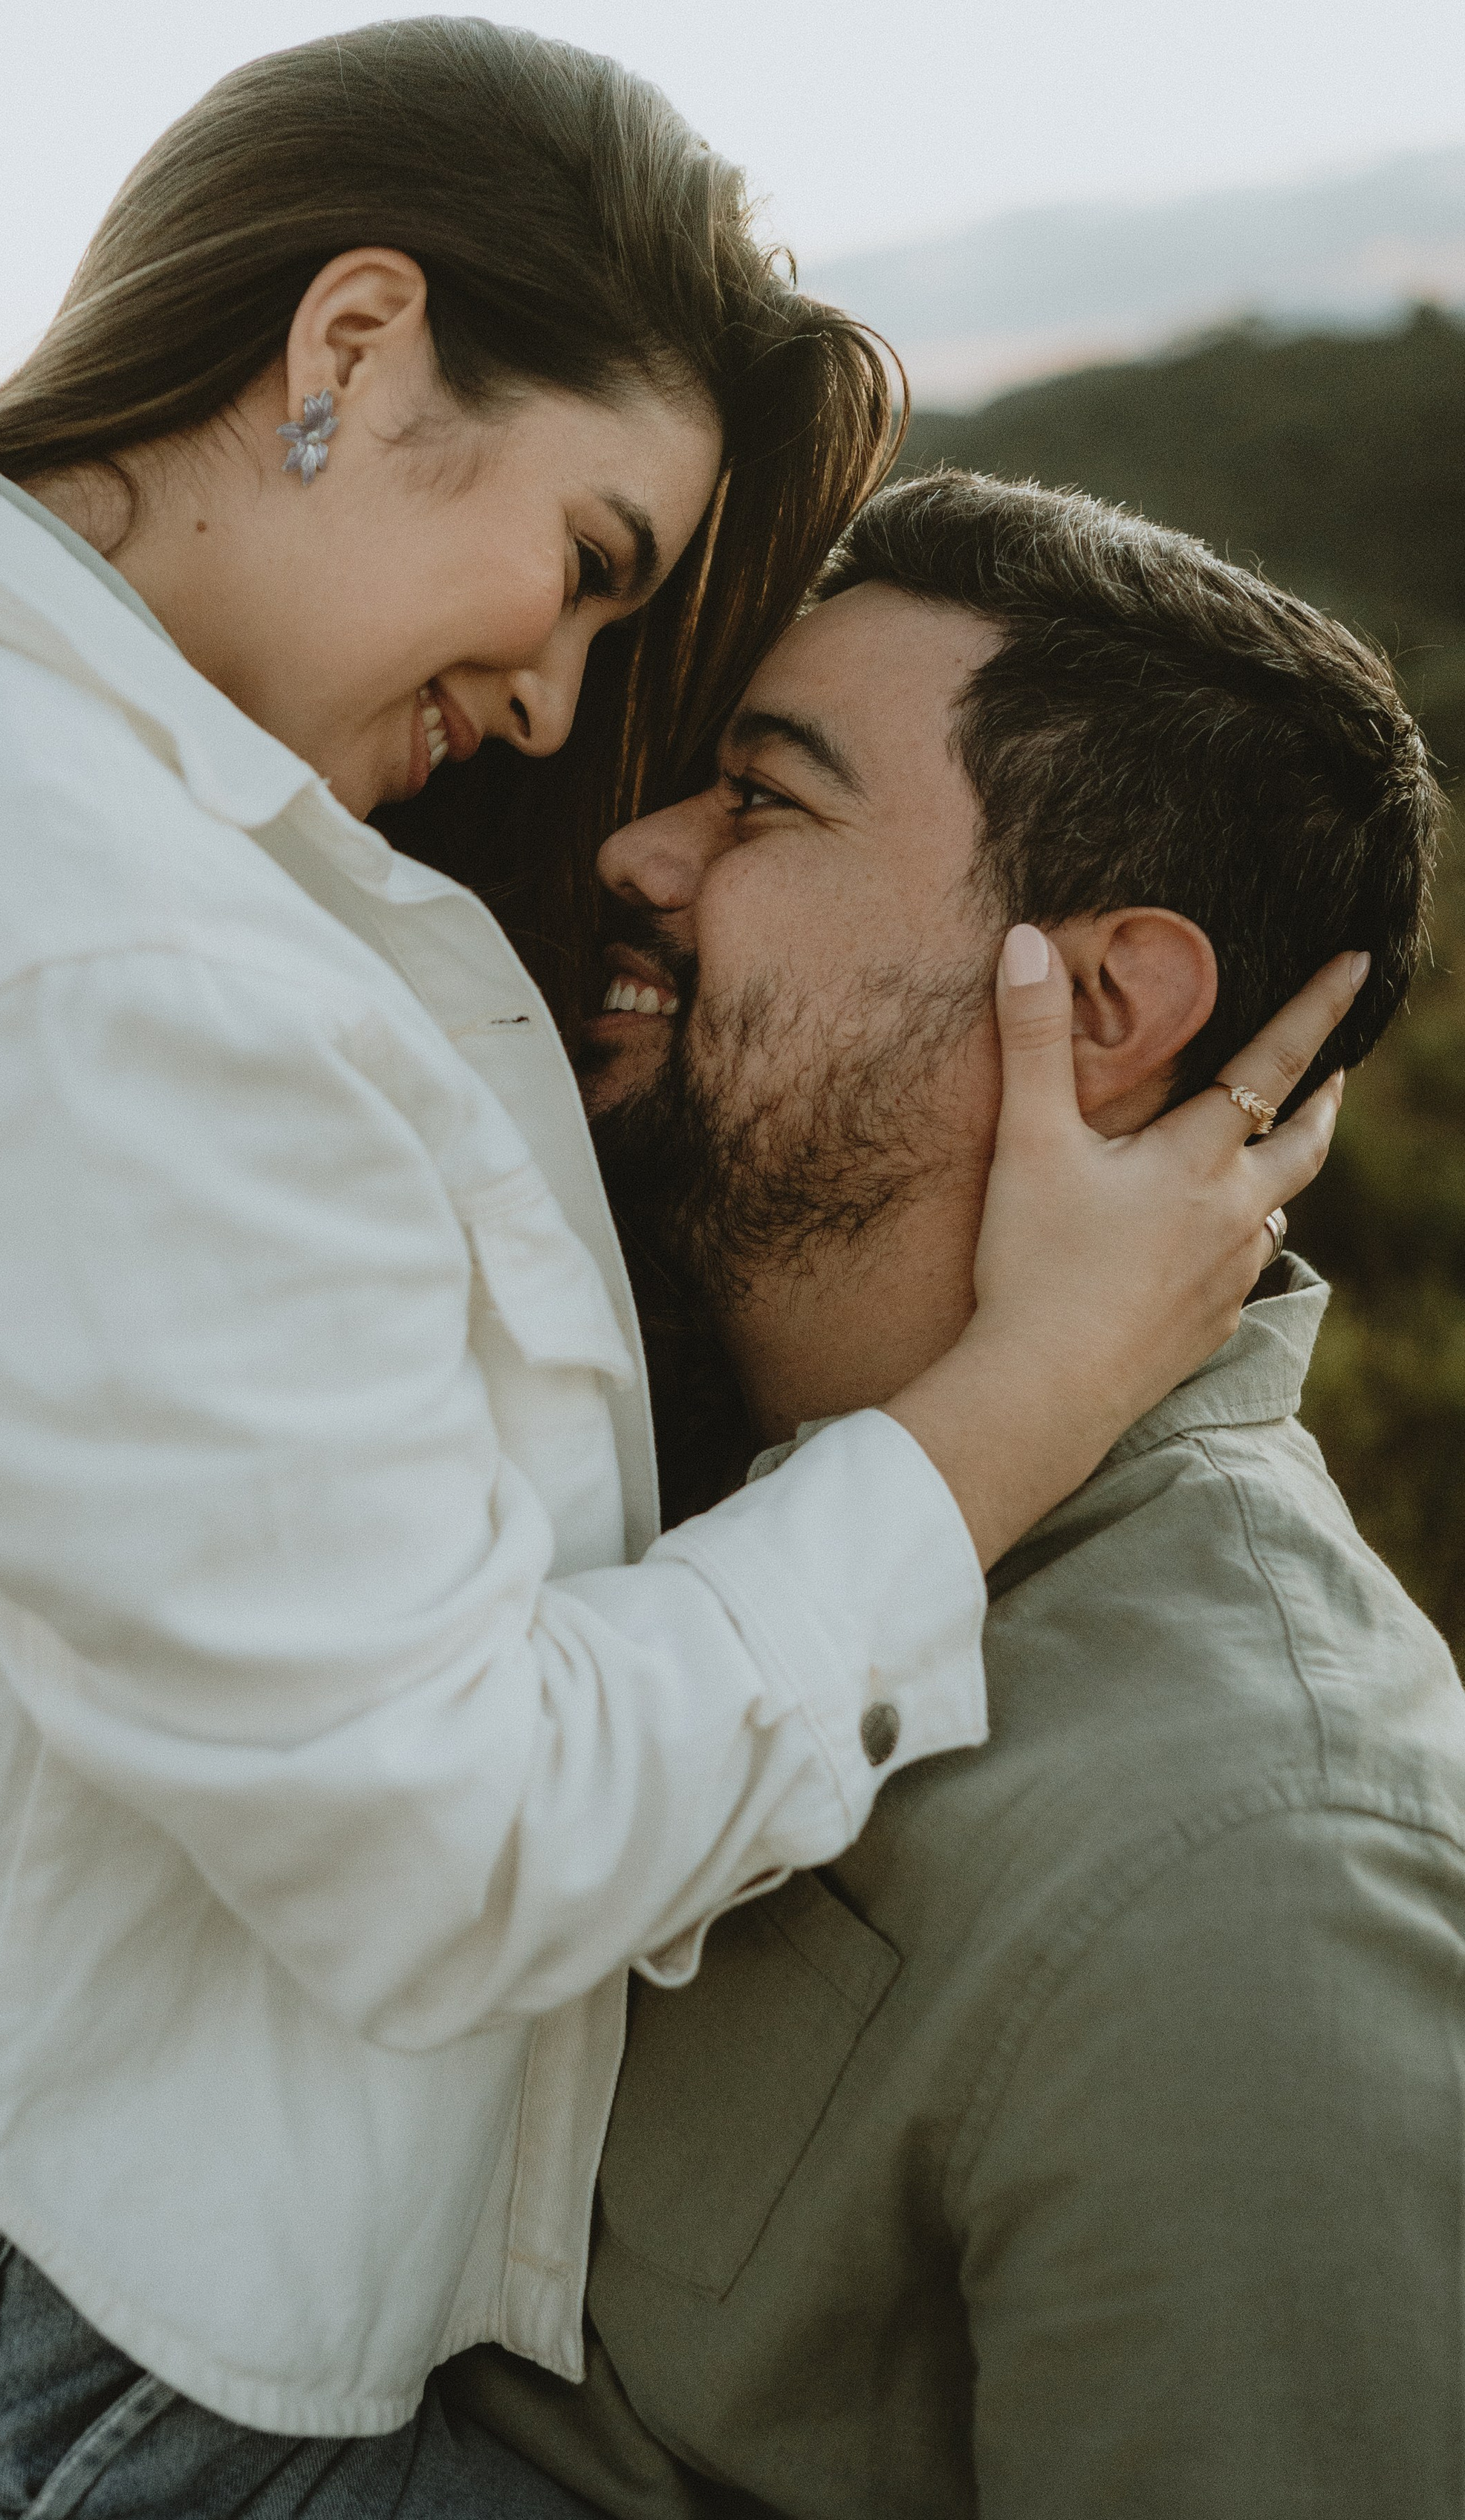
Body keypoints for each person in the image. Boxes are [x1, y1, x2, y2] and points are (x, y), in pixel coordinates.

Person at [0, 11, 1340, 2520]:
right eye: (597, 568)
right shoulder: (94, 956)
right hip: (107, 2389)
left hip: (60, 2266)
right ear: (354, 348)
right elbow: (459, 1838)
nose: (555, 698)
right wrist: (1024, 1397)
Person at [442, 470, 1461, 2520]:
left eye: (765, 800)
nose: (642, 849)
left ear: (1097, 1006)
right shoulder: (620, 1471)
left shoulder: (1244, 1875)